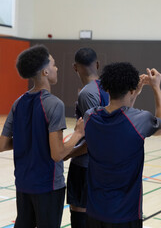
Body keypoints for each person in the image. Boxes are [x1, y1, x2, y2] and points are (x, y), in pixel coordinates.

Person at [0, 44, 85, 228]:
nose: (56, 68)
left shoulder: (18, 103)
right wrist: (77, 134)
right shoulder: (54, 104)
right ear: (45, 71)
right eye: (53, 64)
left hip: (22, 184)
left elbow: (2, 145)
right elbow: (57, 154)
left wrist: (29, 139)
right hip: (48, 186)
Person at [83, 62, 161, 227]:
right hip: (125, 213)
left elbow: (121, 115)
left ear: (106, 88)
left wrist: (133, 94)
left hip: (94, 210)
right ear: (131, 89)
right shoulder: (140, 119)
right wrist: (156, 87)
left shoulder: (89, 117)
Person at [65, 48, 109, 228]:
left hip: (85, 166)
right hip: (105, 166)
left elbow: (94, 139)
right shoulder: (108, 89)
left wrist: (67, 153)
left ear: (75, 67)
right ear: (97, 65)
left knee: (79, 212)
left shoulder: (87, 94)